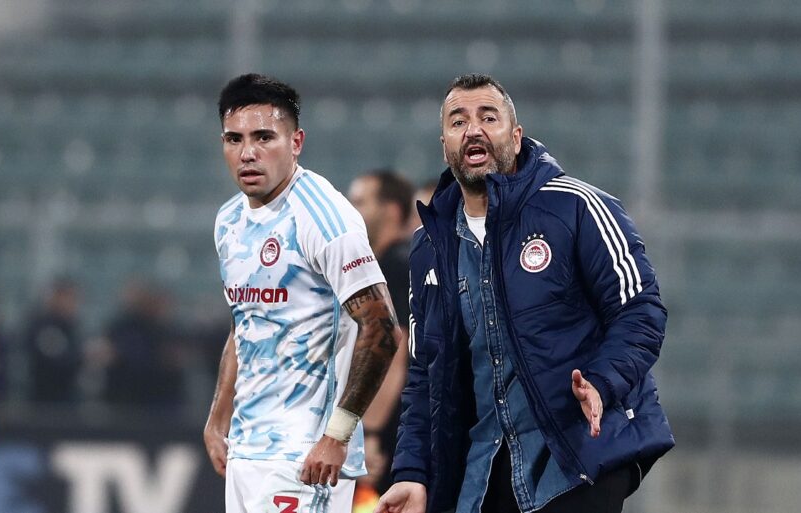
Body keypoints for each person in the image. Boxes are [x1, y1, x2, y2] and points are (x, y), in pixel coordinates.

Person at [377, 74, 674, 513]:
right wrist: (412, 473)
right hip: (482, 468)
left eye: (488, 117)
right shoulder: (428, 248)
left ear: (515, 138)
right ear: (445, 146)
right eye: (458, 121)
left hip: (576, 453)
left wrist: (602, 382)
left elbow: (640, 310)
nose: (473, 130)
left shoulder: (577, 207)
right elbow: (425, 375)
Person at [203, 74, 402, 513]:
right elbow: (246, 322)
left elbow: (382, 328)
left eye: (264, 137)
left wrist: (338, 435)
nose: (248, 153)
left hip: (306, 458)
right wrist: (218, 416)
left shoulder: (325, 218)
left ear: (296, 143)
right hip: (247, 451)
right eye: (234, 139)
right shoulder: (229, 221)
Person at [347, 170, 414, 494]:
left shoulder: (394, 268)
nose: (350, 210)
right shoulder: (403, 261)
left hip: (393, 427)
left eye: (360, 202)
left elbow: (392, 352)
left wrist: (370, 433)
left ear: (391, 211)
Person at [23, 277, 83, 403]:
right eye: (70, 298)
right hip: (46, 399)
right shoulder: (43, 325)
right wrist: (83, 356)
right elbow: (55, 359)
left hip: (66, 395)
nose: (74, 303)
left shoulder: (70, 326)